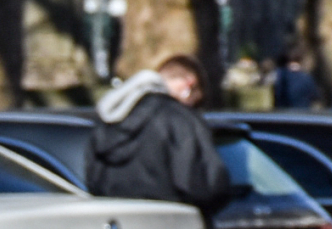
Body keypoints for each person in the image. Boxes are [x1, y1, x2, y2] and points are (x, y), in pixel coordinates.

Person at [88, 53, 232, 212]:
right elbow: (204, 185)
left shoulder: (110, 120)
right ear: (189, 85)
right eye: (196, 101)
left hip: (113, 222)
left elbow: (92, 179)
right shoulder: (181, 120)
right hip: (169, 224)